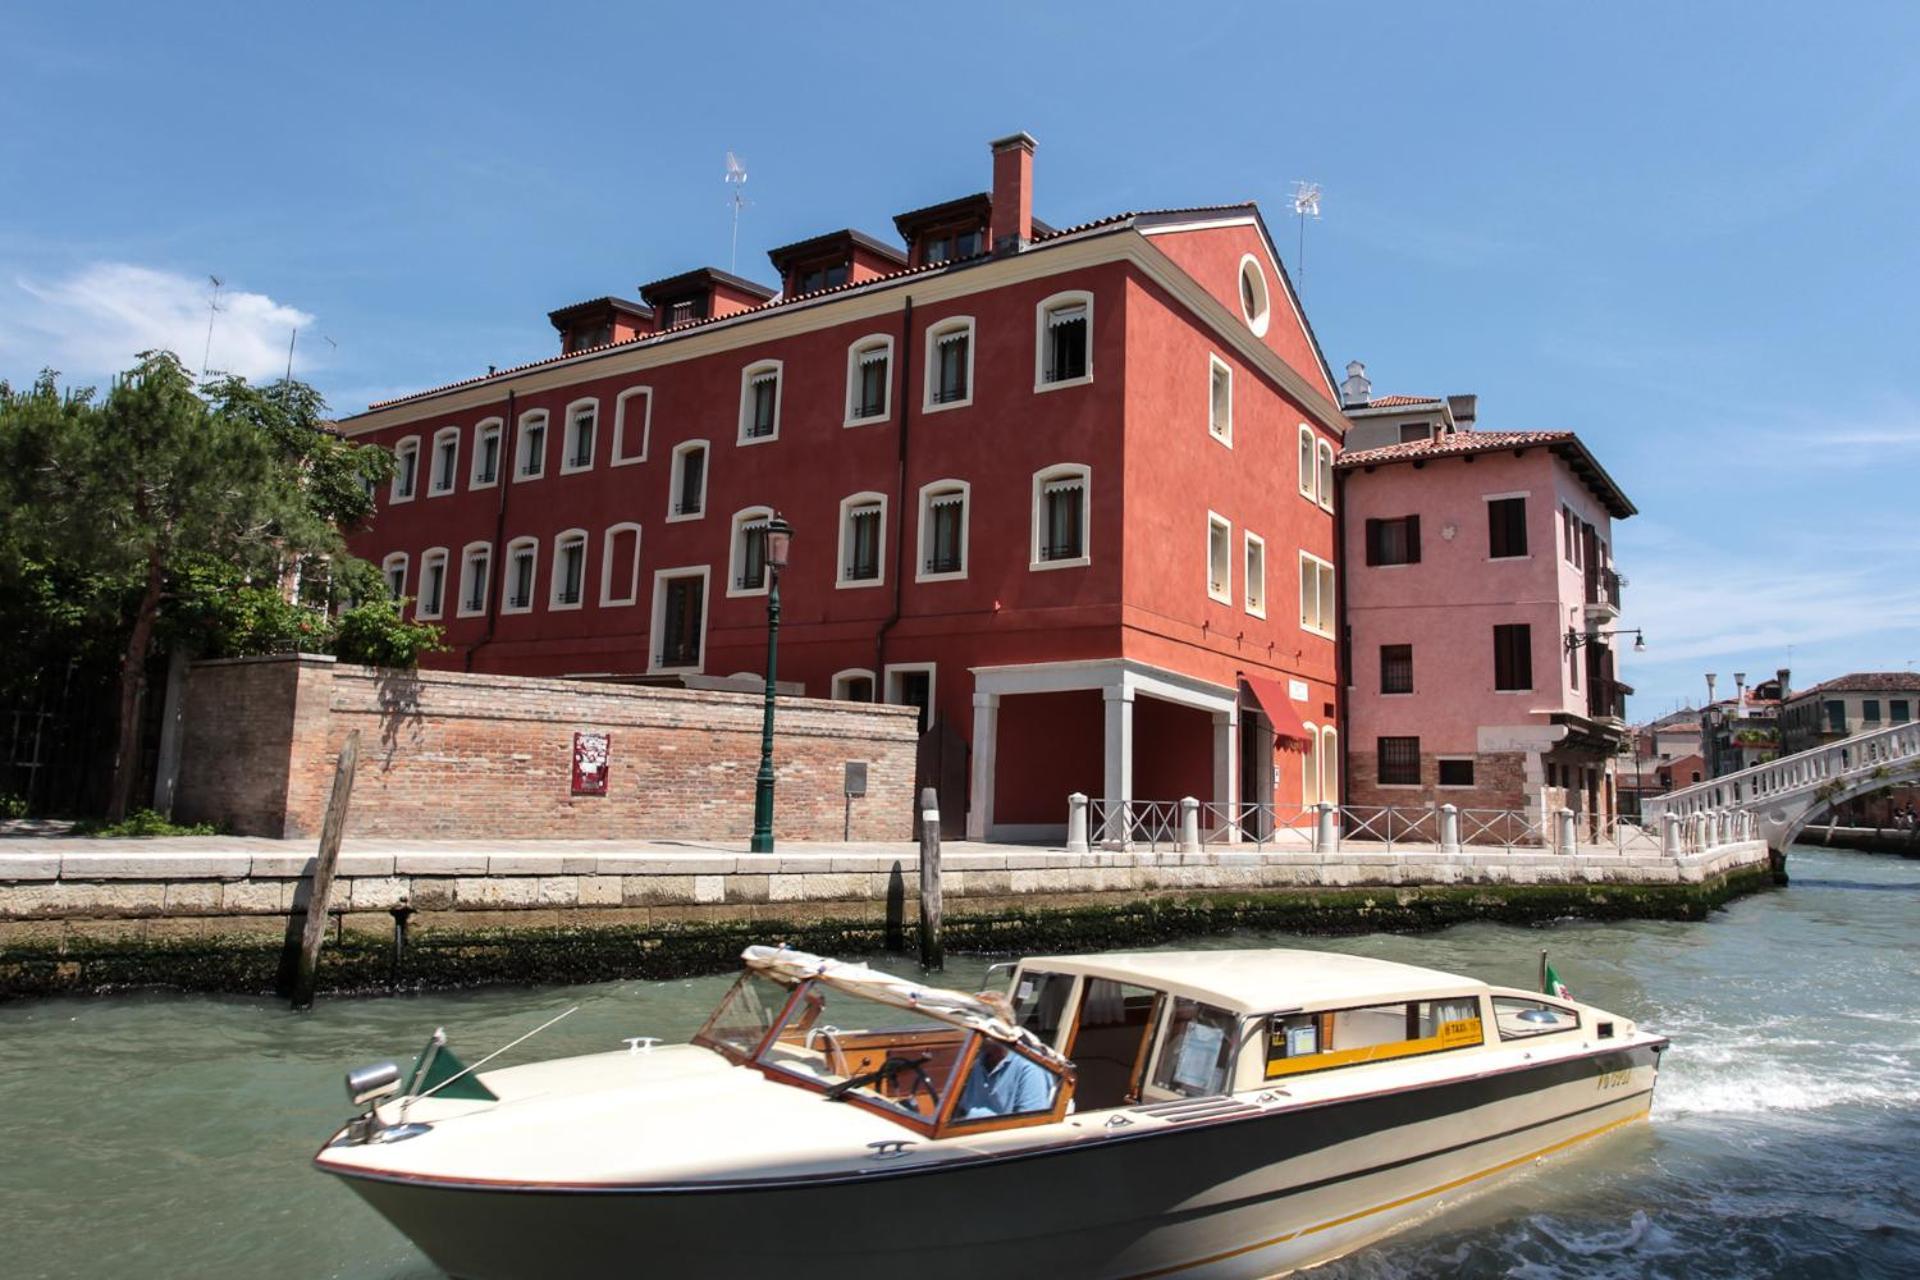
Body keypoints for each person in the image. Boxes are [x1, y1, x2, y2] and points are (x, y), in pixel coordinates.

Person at [956, 992, 1056, 1120]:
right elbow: (962, 1107)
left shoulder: (1029, 1067)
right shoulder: (978, 1060)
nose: (974, 1032)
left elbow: (1029, 1123)